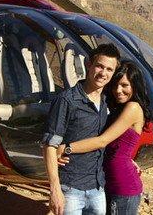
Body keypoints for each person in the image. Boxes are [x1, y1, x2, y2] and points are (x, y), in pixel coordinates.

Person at [58, 60, 151, 215]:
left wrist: (65, 148)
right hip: (108, 181)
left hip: (123, 185)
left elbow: (103, 140)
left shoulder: (133, 107)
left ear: (135, 86)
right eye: (115, 85)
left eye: (124, 85)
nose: (118, 90)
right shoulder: (118, 107)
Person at [43, 43, 121, 215]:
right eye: (100, 66)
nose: (103, 73)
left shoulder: (108, 100)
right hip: (71, 189)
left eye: (109, 69)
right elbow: (50, 145)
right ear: (89, 65)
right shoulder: (66, 101)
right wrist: (55, 190)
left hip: (98, 188)